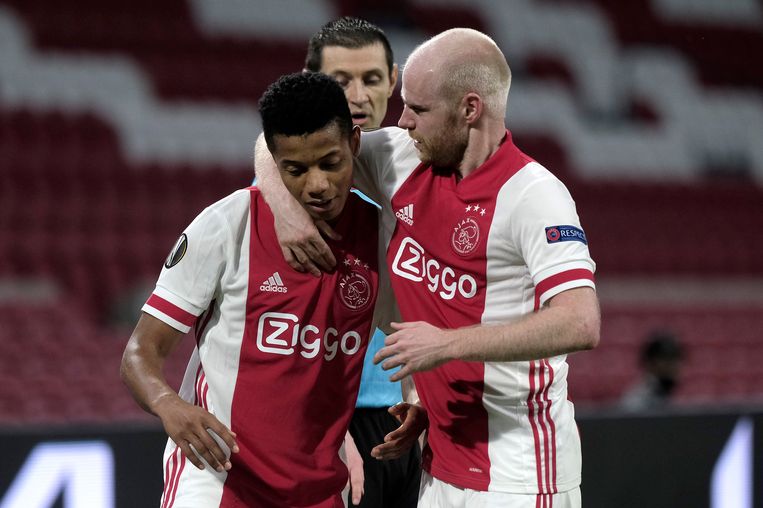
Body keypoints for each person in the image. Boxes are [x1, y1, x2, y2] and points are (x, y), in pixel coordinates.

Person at [256, 28, 601, 508]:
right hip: (439, 465)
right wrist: (285, 211)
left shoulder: (534, 196)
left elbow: (580, 322)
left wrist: (445, 345)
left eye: (417, 109)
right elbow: (282, 139)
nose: (403, 121)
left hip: (519, 472)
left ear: (469, 109)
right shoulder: (401, 158)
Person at [120, 72, 400, 507]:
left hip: (320, 489)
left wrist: (419, 396)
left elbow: (412, 332)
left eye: (330, 163)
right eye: (296, 169)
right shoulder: (226, 226)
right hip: (217, 478)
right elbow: (140, 352)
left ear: (355, 143)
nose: (317, 185)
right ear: (272, 158)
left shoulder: (382, 237)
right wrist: (169, 405)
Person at [303, 17, 422, 508]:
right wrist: (325, 431)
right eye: (340, 80)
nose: (357, 96)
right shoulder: (297, 182)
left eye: (371, 79)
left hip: (406, 412)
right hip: (335, 416)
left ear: (393, 81)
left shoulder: (413, 160)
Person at [620, 330, 684, 411]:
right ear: (650, 362)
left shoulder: (670, 393)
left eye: (676, 359)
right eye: (668, 359)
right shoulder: (638, 399)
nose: (674, 365)